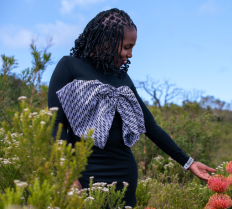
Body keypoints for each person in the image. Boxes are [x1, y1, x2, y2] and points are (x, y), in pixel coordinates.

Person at [48, 8, 216, 208]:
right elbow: (55, 124)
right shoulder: (69, 67)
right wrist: (68, 176)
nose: (130, 54)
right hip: (84, 174)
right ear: (107, 41)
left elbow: (150, 127)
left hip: (124, 174)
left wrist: (188, 163)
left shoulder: (122, 79)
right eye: (127, 47)